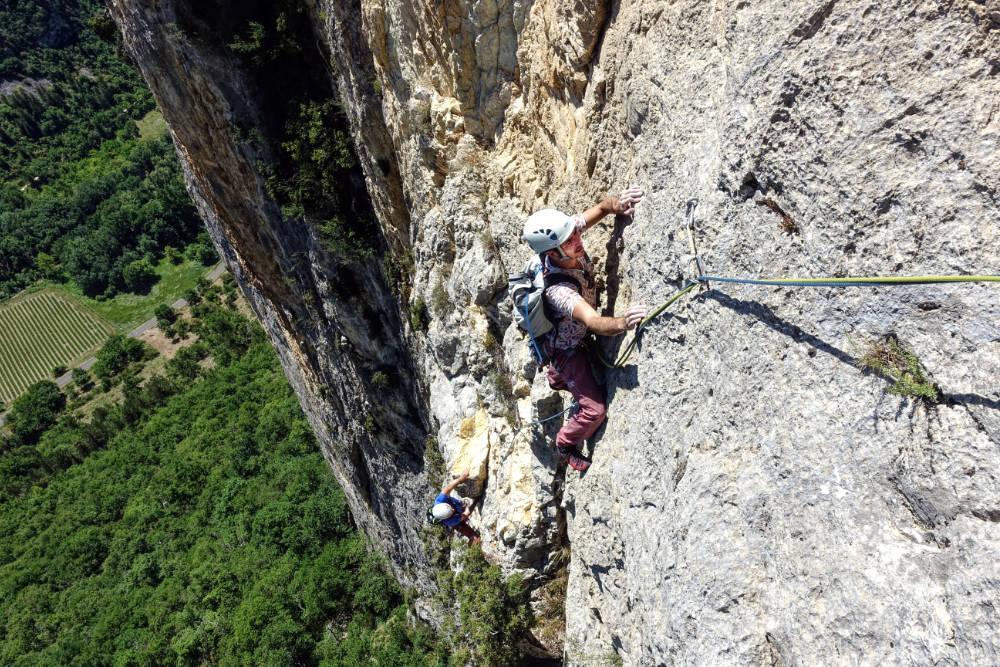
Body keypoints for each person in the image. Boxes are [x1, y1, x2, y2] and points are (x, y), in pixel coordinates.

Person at [521, 185, 649, 471]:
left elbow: (601, 208)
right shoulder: (558, 291)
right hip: (568, 351)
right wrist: (623, 323)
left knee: (589, 386)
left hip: (576, 335)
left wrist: (619, 203)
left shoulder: (565, 235)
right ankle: (565, 443)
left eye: (575, 233)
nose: (577, 240)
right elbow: (592, 322)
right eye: (569, 242)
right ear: (552, 253)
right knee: (595, 410)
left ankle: (567, 382)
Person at [429, 469, 481, 544]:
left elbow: (449, 487)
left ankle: (462, 505)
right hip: (457, 521)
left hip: (458, 506)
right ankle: (474, 542)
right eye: (451, 512)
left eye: (451, 508)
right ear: (447, 517)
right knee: (473, 536)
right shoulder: (451, 521)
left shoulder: (440, 500)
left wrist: (461, 478)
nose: (452, 509)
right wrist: (476, 500)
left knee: (460, 507)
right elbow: (466, 514)